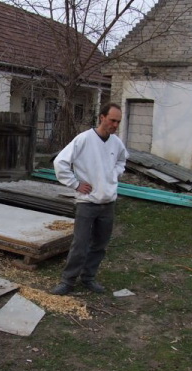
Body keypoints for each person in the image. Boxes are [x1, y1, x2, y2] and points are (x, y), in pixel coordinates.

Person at [50, 102, 129, 295]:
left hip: (108, 203)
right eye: (112, 120)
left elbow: (122, 160)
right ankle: (68, 281)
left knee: (99, 245)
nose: (115, 125)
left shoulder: (116, 143)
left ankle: (88, 278)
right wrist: (75, 184)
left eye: (118, 122)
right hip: (87, 202)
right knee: (80, 244)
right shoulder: (84, 139)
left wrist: (114, 174)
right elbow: (60, 162)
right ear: (102, 117)